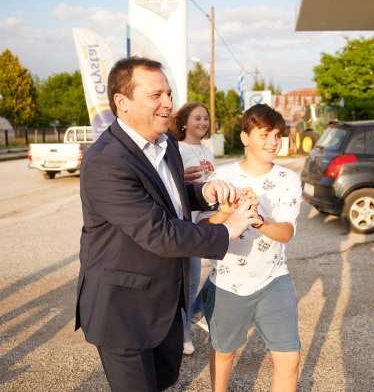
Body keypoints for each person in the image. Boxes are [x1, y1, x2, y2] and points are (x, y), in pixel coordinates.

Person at [75, 56, 259, 392]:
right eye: (155, 95)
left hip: (164, 303)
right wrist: (227, 230)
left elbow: (167, 195)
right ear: (122, 102)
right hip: (122, 310)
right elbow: (158, 232)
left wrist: (204, 192)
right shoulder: (106, 161)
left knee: (163, 383)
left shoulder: (167, 143)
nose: (168, 103)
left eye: (169, 94)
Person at [198, 104, 302, 392]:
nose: (273, 142)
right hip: (228, 282)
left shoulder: (288, 179)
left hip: (273, 279)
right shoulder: (222, 177)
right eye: (264, 134)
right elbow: (202, 231)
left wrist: (259, 221)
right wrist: (225, 213)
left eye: (277, 135)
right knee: (224, 353)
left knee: (289, 359)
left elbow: (287, 232)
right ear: (245, 137)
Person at [172, 102, 215, 355]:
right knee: (189, 282)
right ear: (184, 123)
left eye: (205, 118)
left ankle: (197, 311)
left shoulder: (208, 151)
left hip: (207, 221)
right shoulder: (177, 149)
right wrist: (180, 176)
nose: (202, 122)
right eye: (197, 118)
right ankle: (184, 334)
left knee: (221, 270)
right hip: (186, 226)